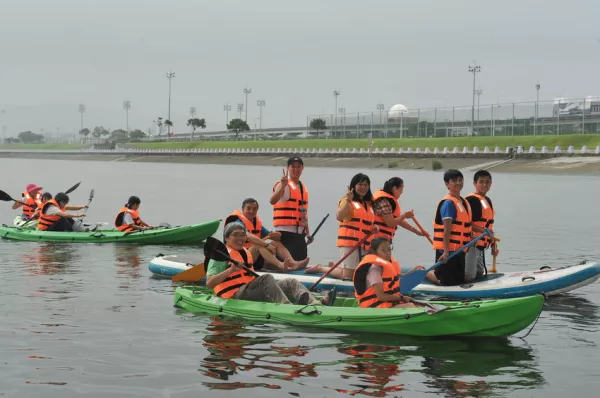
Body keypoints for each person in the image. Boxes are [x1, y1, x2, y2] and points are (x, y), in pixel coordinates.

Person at [205, 223, 335, 306]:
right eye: (236, 235)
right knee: (266, 278)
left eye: (243, 235)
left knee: (290, 282)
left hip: (250, 291)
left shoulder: (245, 252)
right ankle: (286, 307)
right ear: (227, 238)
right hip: (234, 295)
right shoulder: (220, 256)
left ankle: (315, 304)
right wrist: (230, 270)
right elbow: (209, 283)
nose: (240, 238)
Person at [305, 173, 375, 280]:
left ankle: (336, 267)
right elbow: (339, 216)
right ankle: (321, 268)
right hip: (350, 244)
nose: (363, 187)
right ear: (354, 186)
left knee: (363, 274)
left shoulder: (369, 204)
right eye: (360, 184)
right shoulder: (347, 201)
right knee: (348, 276)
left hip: (366, 245)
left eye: (366, 185)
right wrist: (348, 200)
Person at [224, 198, 310, 272]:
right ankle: (280, 265)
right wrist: (267, 245)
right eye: (248, 208)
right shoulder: (237, 223)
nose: (251, 211)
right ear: (243, 209)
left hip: (254, 258)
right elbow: (248, 236)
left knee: (276, 243)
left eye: (254, 209)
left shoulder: (256, 223)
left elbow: (271, 235)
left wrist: (277, 235)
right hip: (240, 259)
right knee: (258, 245)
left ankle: (293, 263)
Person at [426, 169, 472, 286]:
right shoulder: (448, 203)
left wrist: (471, 234)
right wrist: (446, 251)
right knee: (445, 282)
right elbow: (447, 231)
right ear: (447, 184)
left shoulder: (463, 202)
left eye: (460, 180)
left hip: (460, 250)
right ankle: (423, 272)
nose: (458, 183)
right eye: (454, 180)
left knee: (458, 281)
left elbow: (465, 225)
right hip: (446, 250)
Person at [353, 237, 424, 308]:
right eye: (383, 250)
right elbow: (381, 297)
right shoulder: (374, 270)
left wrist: (413, 271)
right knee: (411, 306)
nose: (388, 253)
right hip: (374, 306)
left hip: (387, 303)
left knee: (420, 305)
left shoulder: (387, 266)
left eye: (389, 249)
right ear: (374, 252)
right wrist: (402, 298)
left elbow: (395, 279)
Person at [270, 156, 312, 262]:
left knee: (300, 261)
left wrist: (308, 233)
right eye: (293, 167)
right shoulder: (283, 184)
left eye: (298, 167)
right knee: (287, 264)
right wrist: (282, 186)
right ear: (288, 168)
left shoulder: (302, 187)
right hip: (285, 233)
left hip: (299, 234)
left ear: (302, 168)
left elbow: (303, 213)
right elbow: (272, 200)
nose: (296, 169)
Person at [464, 170, 499, 280]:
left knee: (479, 273)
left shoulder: (487, 200)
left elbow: (488, 226)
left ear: (491, 184)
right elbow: (464, 223)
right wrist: (482, 230)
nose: (485, 185)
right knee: (469, 276)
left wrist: (493, 244)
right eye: (481, 182)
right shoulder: (471, 200)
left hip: (481, 245)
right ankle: (442, 276)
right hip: (471, 243)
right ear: (475, 184)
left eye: (487, 182)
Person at [372, 177, 427, 241]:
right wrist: (405, 216)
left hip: (382, 240)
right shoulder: (384, 201)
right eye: (401, 190)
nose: (401, 193)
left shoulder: (388, 201)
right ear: (394, 188)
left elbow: (398, 221)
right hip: (377, 240)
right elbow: (391, 223)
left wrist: (417, 232)